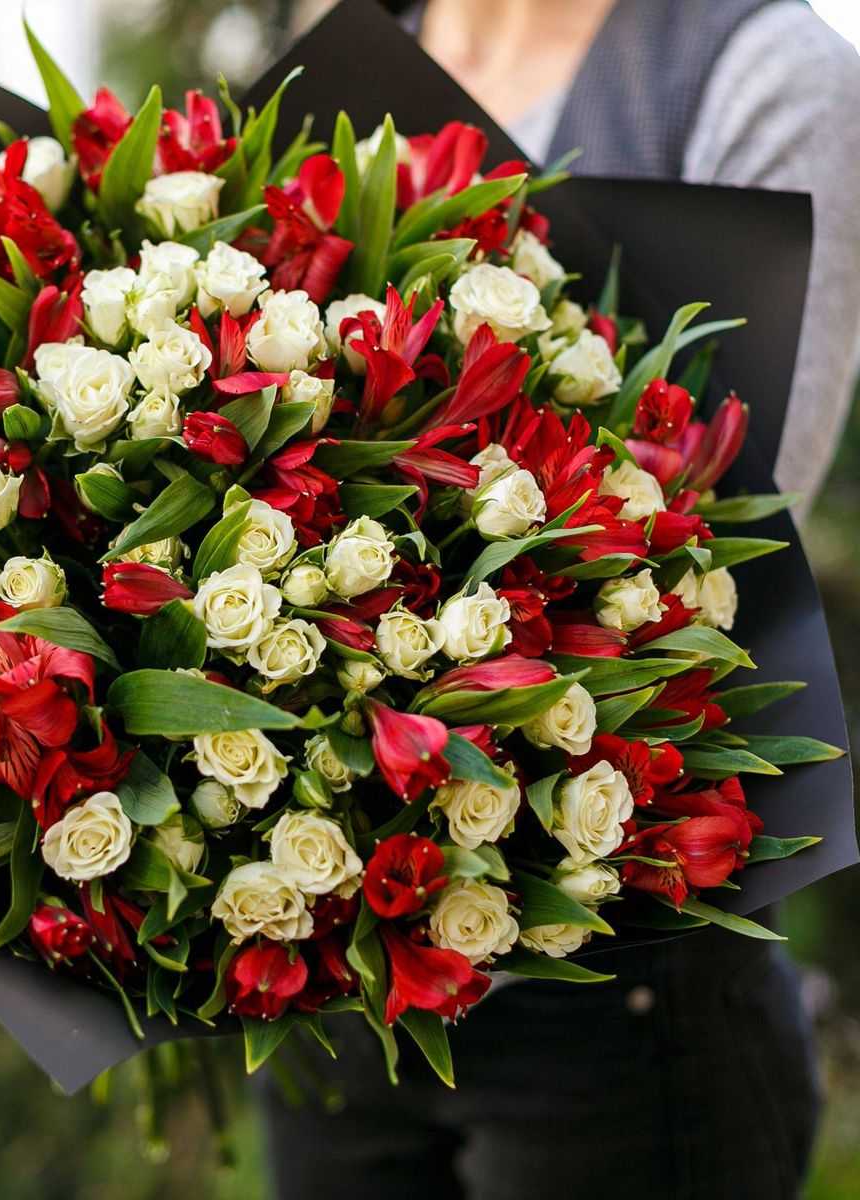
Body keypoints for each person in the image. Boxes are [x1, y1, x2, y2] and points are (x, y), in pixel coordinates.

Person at [262, 3, 860, 1198]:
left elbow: (721, 560)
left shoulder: (763, 74)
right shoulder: (345, 42)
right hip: (329, 963)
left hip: (622, 1002)